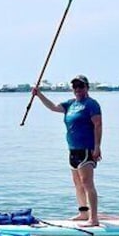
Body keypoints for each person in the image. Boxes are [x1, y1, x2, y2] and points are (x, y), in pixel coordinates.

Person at [32, 74, 102, 226]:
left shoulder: (91, 104)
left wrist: (97, 147)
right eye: (75, 87)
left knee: (87, 183)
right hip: (72, 149)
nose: (78, 89)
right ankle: (83, 213)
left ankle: (94, 219)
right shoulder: (70, 104)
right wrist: (39, 95)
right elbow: (53, 107)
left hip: (86, 149)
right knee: (77, 183)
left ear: (87, 87)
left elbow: (98, 125)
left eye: (81, 86)